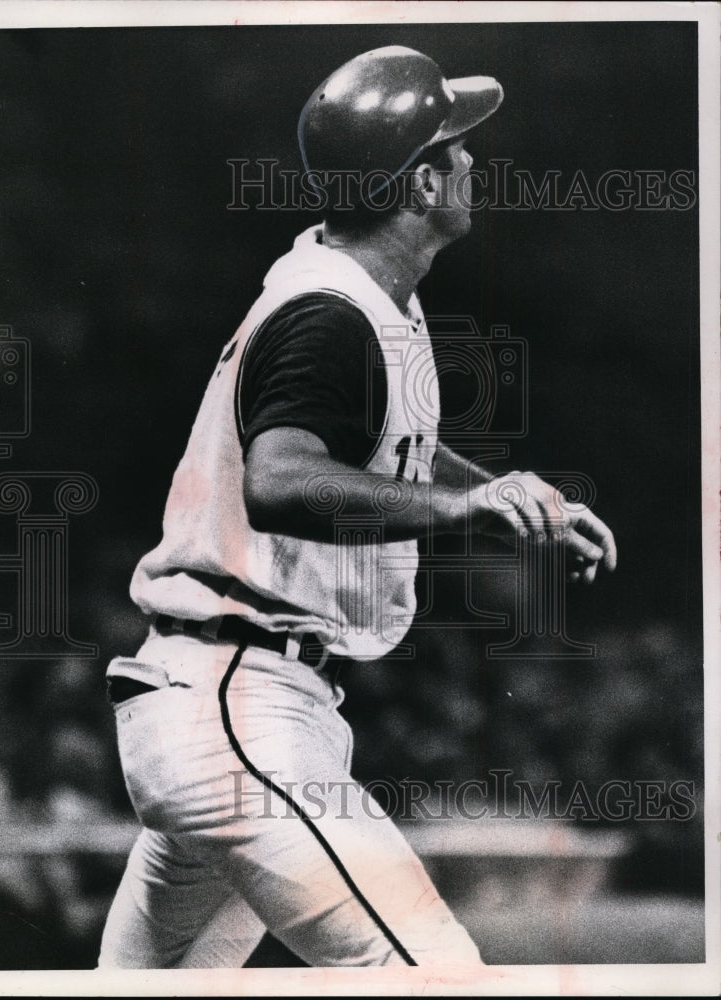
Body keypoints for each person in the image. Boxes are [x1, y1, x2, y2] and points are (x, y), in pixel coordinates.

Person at [98, 45, 616, 969]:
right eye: (454, 147)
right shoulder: (328, 313)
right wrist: (470, 512)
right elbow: (282, 480)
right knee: (434, 973)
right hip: (239, 707)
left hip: (226, 701)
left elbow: (387, 450)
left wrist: (506, 497)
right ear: (418, 184)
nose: (471, 161)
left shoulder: (364, 296)